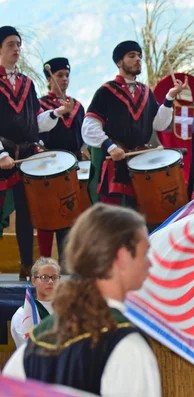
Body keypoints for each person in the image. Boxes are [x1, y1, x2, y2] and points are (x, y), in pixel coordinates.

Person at [3, 204, 161, 397]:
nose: (150, 263)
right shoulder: (128, 348)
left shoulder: (35, 344)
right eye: (145, 253)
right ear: (121, 256)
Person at [0, 26, 73, 280]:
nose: (16, 49)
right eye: (10, 44)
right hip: (3, 154)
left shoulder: (27, 84)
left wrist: (57, 113)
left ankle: (25, 265)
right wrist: (1, 155)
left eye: (18, 44)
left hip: (26, 156)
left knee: (26, 212)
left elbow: (35, 123)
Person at [82, 40, 186, 207]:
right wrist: (110, 147)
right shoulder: (106, 91)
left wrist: (169, 98)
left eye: (139, 56)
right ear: (119, 62)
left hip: (142, 164)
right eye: (132, 56)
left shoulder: (146, 92)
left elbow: (159, 124)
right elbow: (89, 125)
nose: (138, 59)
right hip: (116, 164)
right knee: (114, 220)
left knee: (142, 214)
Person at [37, 57, 85, 266]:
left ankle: (67, 263)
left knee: (69, 212)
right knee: (47, 214)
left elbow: (82, 136)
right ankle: (45, 262)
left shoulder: (77, 106)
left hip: (73, 163)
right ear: (49, 79)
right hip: (48, 164)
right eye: (59, 75)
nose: (64, 79)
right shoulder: (40, 105)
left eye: (67, 75)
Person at [10, 257, 60, 349]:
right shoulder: (23, 313)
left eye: (54, 277)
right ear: (33, 281)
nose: (50, 281)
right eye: (44, 277)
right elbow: (26, 346)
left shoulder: (67, 310)